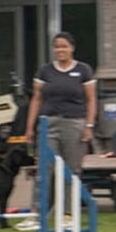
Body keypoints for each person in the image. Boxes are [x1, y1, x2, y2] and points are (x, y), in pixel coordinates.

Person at [24, 32, 96, 176]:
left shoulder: (83, 70)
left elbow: (91, 99)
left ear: (72, 48)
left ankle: (70, 198)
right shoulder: (45, 71)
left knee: (72, 169)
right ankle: (44, 199)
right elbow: (36, 99)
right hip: (49, 123)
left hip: (74, 123)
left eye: (64, 46)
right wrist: (30, 127)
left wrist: (89, 126)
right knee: (46, 168)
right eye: (56, 47)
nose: (60, 50)